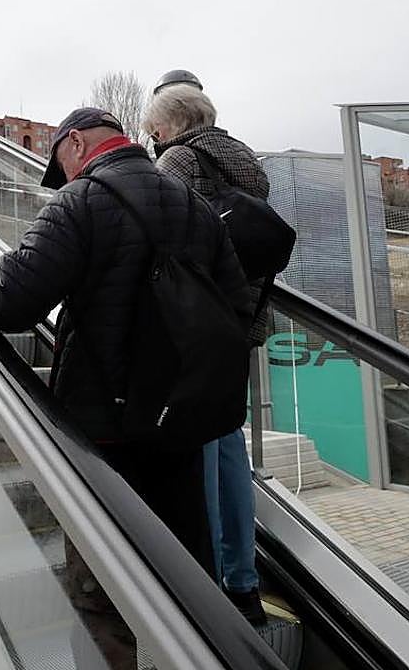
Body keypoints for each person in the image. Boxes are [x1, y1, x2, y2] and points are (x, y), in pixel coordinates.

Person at [0, 107, 253, 666]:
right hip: (181, 423)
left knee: (101, 586)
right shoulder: (192, 205)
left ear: (73, 144)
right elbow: (237, 307)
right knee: (184, 573)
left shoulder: (82, 201)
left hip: (106, 431)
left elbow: (11, 299)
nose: (64, 178)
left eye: (62, 165)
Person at [142, 79, 269, 625]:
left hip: (197, 322)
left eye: (152, 131)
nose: (151, 140)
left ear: (168, 127)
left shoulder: (177, 160)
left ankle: (209, 586)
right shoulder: (245, 159)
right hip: (244, 318)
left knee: (199, 449)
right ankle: (244, 580)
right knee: (228, 443)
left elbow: (156, 232)